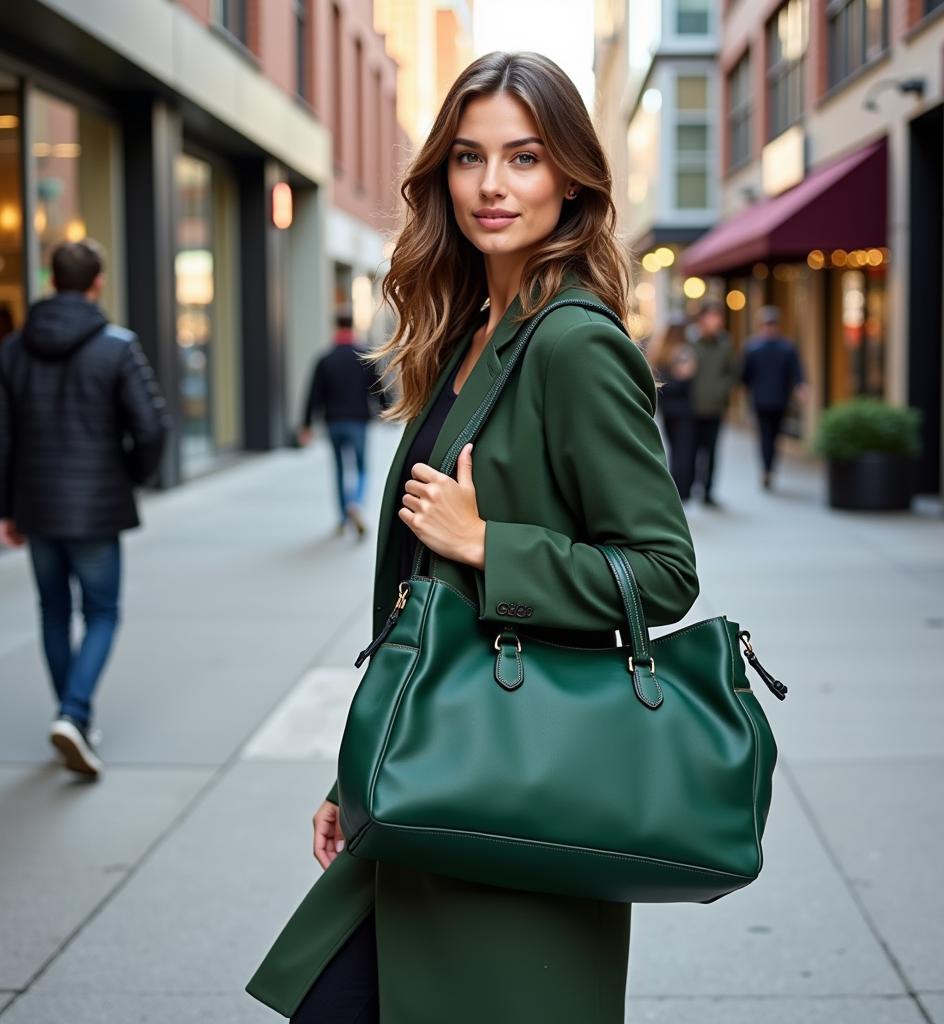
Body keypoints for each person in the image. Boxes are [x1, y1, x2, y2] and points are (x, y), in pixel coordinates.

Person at [250, 51, 699, 1024]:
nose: (492, 185)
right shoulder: (471, 337)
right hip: (432, 770)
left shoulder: (574, 343)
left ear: (570, 176)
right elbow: (417, 591)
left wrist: (491, 544)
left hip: (513, 783)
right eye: (468, 157)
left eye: (524, 157)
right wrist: (355, 766)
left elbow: (663, 573)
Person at [0, 240, 168, 778]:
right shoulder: (117, 346)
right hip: (95, 506)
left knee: (53, 610)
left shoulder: (13, 349)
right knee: (100, 612)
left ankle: (71, 714)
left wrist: (7, 507)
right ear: (97, 283)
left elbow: (3, 437)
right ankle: (74, 713)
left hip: (37, 504)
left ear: (52, 279)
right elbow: (152, 426)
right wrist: (132, 478)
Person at [299, 307, 382, 537]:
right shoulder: (364, 356)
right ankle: (356, 502)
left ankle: (343, 516)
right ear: (352, 325)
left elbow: (313, 394)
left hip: (333, 422)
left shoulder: (325, 359)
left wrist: (306, 425)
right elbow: (378, 388)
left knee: (339, 469)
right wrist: (387, 409)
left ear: (335, 326)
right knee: (361, 466)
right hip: (358, 421)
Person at [741, 304, 807, 490]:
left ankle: (769, 468)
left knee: (774, 436)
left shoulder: (786, 348)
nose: (770, 327)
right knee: (765, 436)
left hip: (779, 400)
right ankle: (767, 469)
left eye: (772, 324)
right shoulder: (753, 348)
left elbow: (797, 370)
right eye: (767, 324)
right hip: (761, 400)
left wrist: (800, 387)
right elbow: (745, 375)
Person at [684, 299, 737, 507]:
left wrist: (722, 391)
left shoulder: (725, 344)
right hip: (692, 408)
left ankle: (707, 491)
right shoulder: (690, 342)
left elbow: (732, 373)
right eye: (712, 317)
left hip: (716, 407)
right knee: (691, 451)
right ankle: (688, 489)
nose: (716, 322)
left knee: (712, 452)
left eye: (719, 317)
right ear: (702, 319)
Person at [644, 313, 696, 500]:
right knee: (684, 450)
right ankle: (682, 491)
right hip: (684, 409)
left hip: (668, 409)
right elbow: (686, 378)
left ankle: (675, 486)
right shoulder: (683, 352)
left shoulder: (660, 351)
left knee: (674, 448)